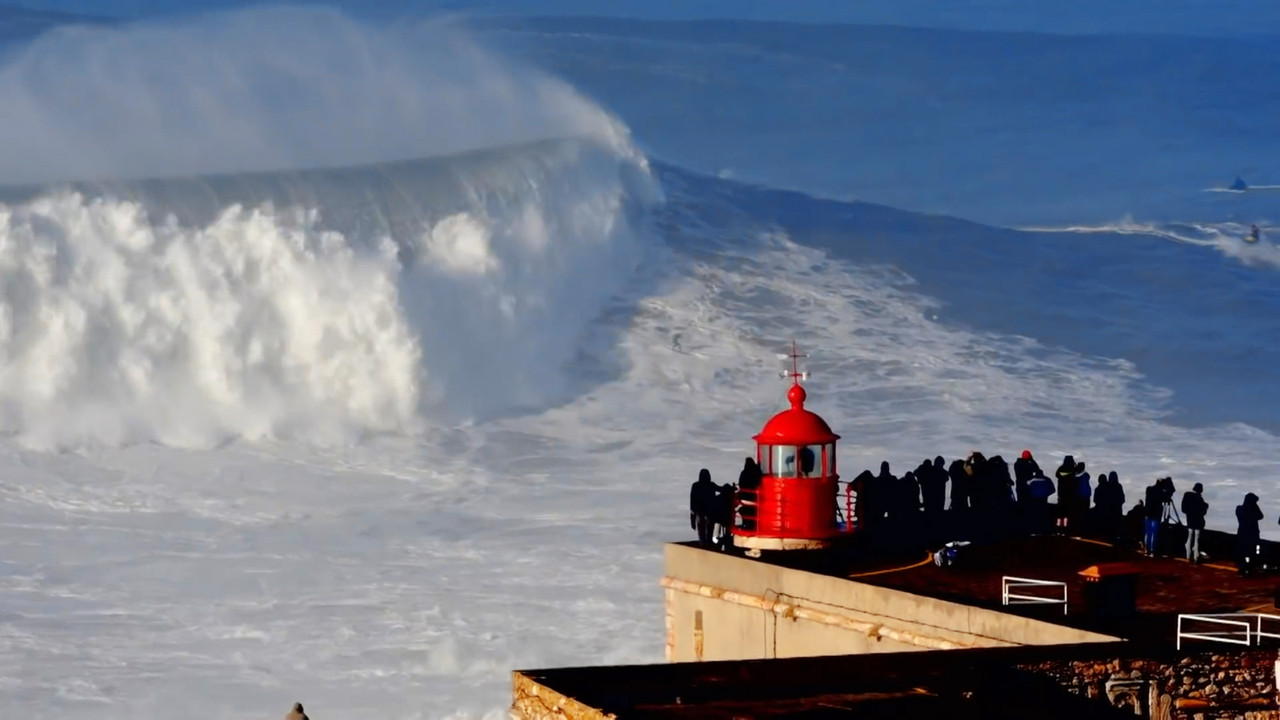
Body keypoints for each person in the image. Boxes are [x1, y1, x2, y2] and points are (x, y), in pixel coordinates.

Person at [1237, 492, 1263, 576]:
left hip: (1242, 533)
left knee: (1244, 552)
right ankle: (1249, 567)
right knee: (1252, 552)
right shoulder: (1252, 510)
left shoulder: (1239, 509)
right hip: (1252, 534)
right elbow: (1260, 516)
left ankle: (1244, 567)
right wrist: (1255, 507)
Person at [1181, 482, 1208, 563]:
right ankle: (1196, 557)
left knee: (1189, 537)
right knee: (1196, 540)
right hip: (1198, 522)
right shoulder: (1201, 500)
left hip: (1190, 520)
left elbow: (1183, 509)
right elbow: (1203, 512)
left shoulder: (1187, 495)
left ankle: (1188, 556)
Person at [690, 469, 717, 545]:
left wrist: (692, 519)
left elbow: (692, 502)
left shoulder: (695, 486)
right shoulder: (711, 485)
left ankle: (703, 544)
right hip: (710, 513)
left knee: (701, 532)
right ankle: (709, 543)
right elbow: (721, 489)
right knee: (710, 531)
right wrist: (729, 487)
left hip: (700, 512)